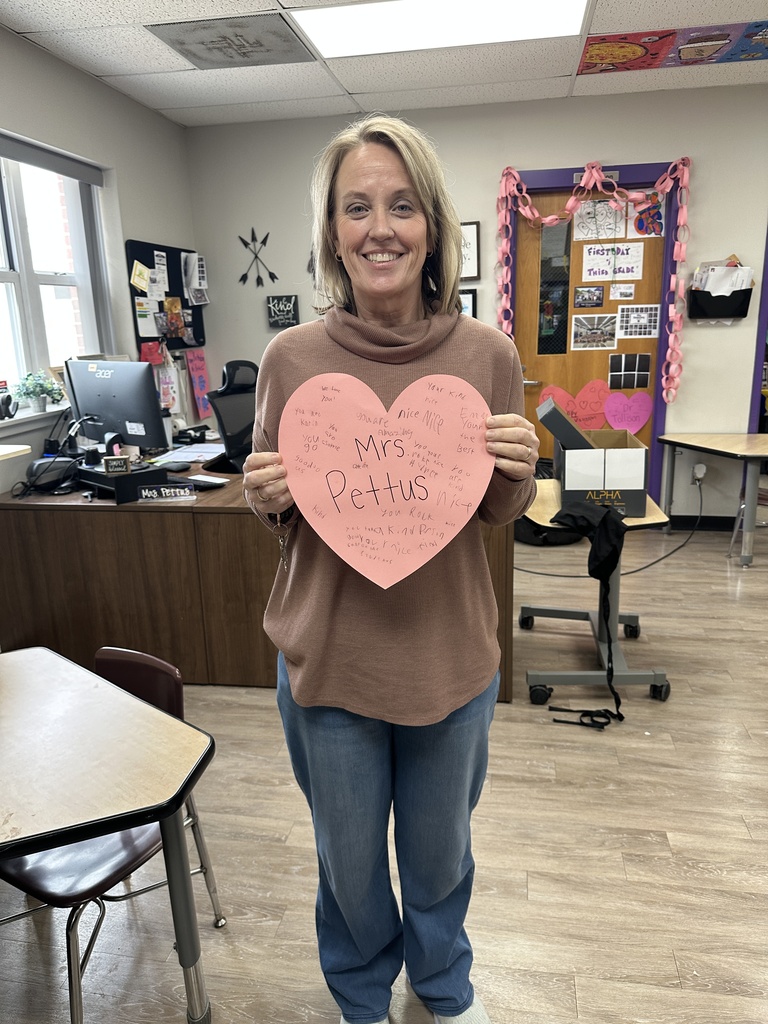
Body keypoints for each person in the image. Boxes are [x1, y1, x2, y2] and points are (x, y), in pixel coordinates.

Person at [244, 114, 539, 1024]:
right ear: (333, 232)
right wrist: (267, 496)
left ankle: (444, 992)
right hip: (331, 667)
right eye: (358, 207)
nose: (381, 227)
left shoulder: (485, 356)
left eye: (402, 205)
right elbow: (284, 515)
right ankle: (362, 999)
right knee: (350, 865)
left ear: (433, 224)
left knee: (442, 855)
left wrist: (519, 476)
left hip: (450, 666)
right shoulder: (291, 361)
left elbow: (488, 515)